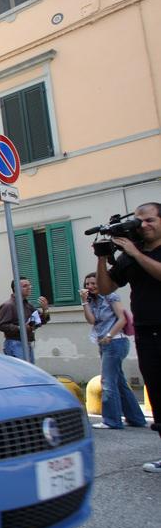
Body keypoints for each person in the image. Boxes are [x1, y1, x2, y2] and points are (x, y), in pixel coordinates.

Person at [95, 202, 161, 472]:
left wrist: (133, 251)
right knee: (158, 392)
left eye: (150, 220)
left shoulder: (139, 253)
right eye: (139, 221)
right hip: (147, 334)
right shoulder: (129, 257)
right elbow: (106, 286)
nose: (143, 226)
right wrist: (101, 257)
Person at [80, 272, 147, 430]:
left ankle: (111, 420)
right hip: (104, 343)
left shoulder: (110, 296)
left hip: (116, 341)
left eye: (93, 283)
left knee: (108, 382)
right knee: (119, 382)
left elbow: (122, 318)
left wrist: (110, 335)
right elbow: (91, 320)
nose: (90, 286)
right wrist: (84, 302)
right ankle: (136, 419)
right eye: (87, 284)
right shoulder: (92, 301)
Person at [0, 277, 50, 363]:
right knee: (21, 373)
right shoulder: (8, 305)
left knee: (29, 372)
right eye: (25, 286)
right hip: (15, 343)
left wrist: (45, 310)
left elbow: (42, 320)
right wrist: (20, 328)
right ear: (16, 288)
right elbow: (1, 326)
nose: (29, 287)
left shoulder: (28, 305)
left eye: (29, 285)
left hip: (26, 343)